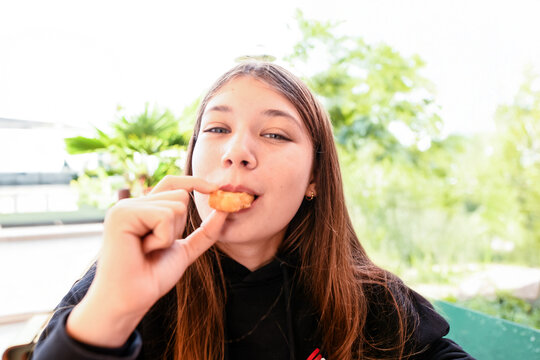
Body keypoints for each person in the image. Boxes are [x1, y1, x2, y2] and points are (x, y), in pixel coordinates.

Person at [33, 61, 474, 360]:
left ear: (315, 178)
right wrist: (114, 309)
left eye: (276, 134)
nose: (237, 151)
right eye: (218, 128)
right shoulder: (122, 281)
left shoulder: (372, 301)